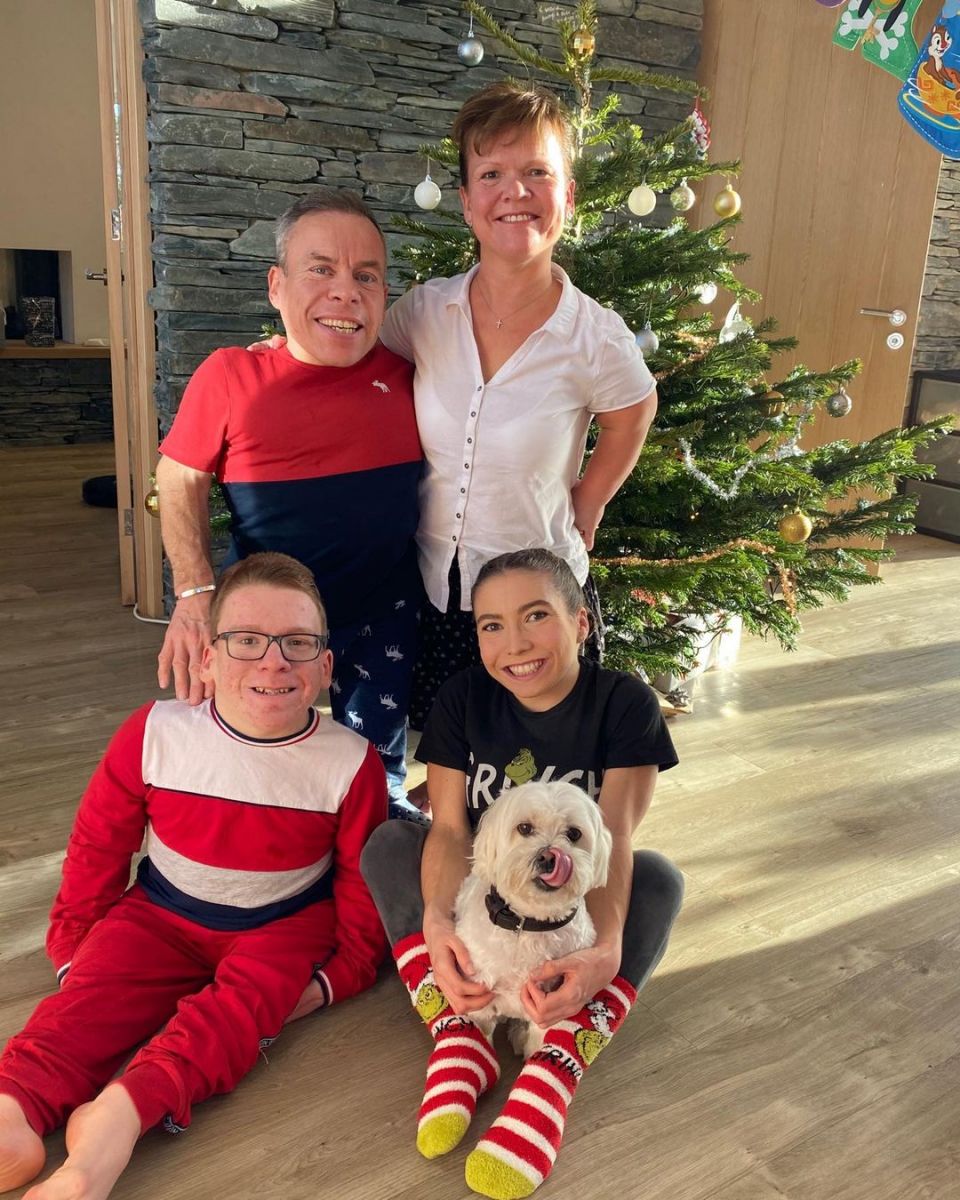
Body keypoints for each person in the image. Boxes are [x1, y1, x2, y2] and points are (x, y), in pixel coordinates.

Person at [252, 82, 659, 734]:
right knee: (450, 766)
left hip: (534, 606)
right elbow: (348, 345)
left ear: (568, 195)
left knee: (532, 774)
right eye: (492, 174)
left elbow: (635, 410)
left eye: (537, 173)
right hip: (437, 594)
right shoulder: (425, 312)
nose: (515, 192)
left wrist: (593, 497)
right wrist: (286, 344)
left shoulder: (596, 336)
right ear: (468, 202)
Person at [0, 553, 386, 1200]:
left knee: (231, 1020)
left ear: (324, 668)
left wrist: (329, 981)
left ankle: (117, 1122)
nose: (273, 661)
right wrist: (77, 951)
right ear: (207, 658)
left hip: (283, 922)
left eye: (298, 643)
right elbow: (98, 847)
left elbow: (359, 891)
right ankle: (14, 1107)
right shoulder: (155, 734)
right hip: (161, 910)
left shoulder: (350, 764)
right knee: (87, 1005)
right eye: (245, 641)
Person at [359, 549, 681, 1200]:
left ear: (582, 622)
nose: (514, 644)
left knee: (658, 880)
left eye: (536, 616)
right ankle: (457, 1029)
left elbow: (615, 838)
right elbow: (449, 829)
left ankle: (557, 1062)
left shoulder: (624, 703)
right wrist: (436, 924)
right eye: (491, 625)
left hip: (571, 911)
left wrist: (606, 951)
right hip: (484, 896)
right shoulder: (463, 697)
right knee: (392, 844)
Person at [156, 189, 423, 818]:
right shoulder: (229, 376)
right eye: (320, 269)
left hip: (382, 612)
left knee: (374, 774)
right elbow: (178, 479)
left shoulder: (414, 373)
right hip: (265, 622)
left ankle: (379, 844)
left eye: (366, 276)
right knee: (252, 765)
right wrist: (194, 598)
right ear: (277, 286)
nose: (344, 291)